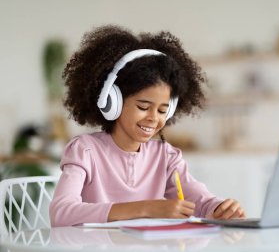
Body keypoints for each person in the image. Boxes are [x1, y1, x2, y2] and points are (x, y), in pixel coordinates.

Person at [49, 25, 245, 227]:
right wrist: (146, 208)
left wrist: (221, 208)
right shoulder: (85, 151)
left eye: (162, 111)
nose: (153, 118)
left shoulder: (166, 157)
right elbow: (62, 213)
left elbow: (202, 202)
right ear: (111, 101)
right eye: (143, 106)